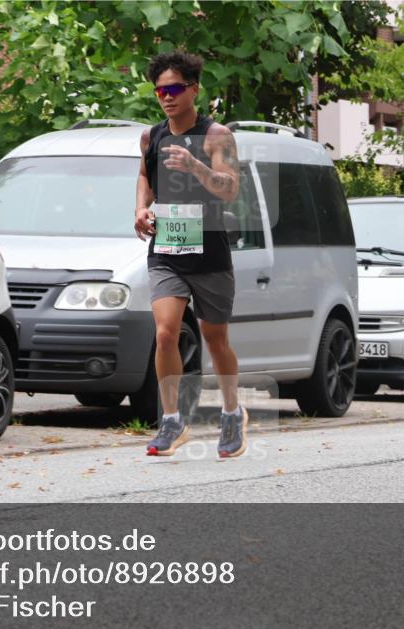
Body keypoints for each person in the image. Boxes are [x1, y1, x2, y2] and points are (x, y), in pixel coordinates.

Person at [134, 50, 247, 459]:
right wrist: (140, 209)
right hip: (166, 248)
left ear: (194, 90)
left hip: (210, 249)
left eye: (175, 89)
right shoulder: (151, 136)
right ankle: (171, 420)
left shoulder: (217, 136)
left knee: (216, 340)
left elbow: (231, 189)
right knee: (165, 332)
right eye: (160, 90)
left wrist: (195, 166)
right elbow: (145, 175)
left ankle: (233, 413)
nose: (166, 96)